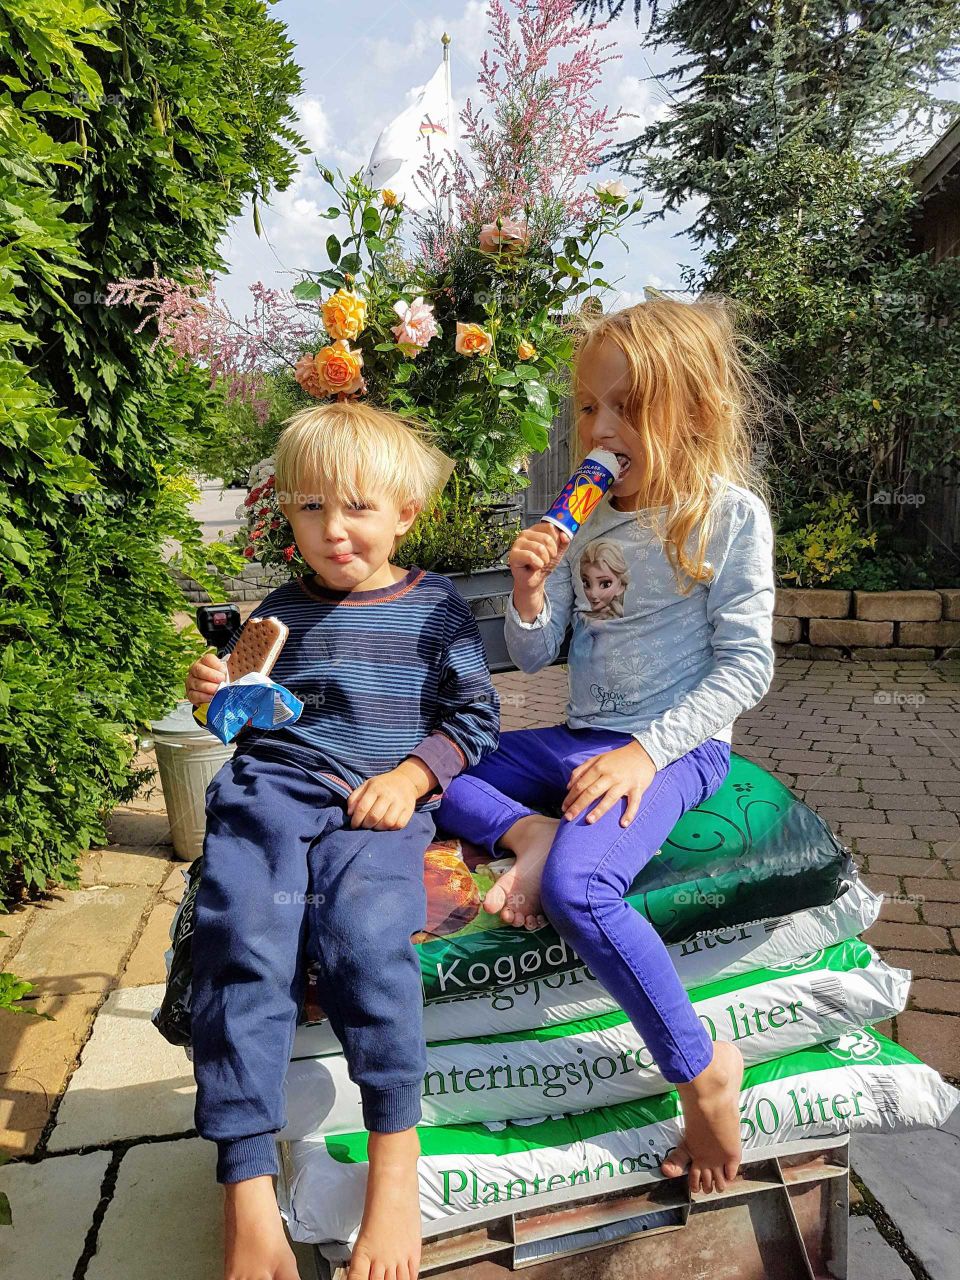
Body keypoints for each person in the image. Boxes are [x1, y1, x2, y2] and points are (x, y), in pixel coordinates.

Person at [436, 296, 776, 1197]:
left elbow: (747, 669)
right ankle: (530, 833)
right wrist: (529, 590)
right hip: (580, 735)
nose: (601, 428)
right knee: (429, 770)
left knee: (584, 889)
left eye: (627, 407)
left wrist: (647, 754)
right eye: (589, 407)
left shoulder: (726, 517)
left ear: (695, 411)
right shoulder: (584, 523)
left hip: (674, 748)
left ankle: (702, 1071)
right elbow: (540, 656)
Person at [184, 402, 500, 1280]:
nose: (334, 530)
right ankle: (246, 1186)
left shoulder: (436, 608)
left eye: (358, 507)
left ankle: (394, 1164)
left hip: (378, 806)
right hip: (275, 793)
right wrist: (213, 694)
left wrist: (410, 778)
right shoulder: (276, 614)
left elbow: (476, 716)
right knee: (244, 938)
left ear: (405, 513)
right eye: (311, 508)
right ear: (288, 514)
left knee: (365, 937)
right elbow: (243, 726)